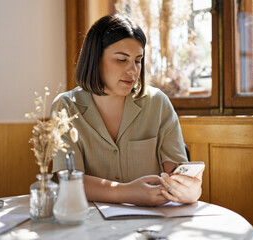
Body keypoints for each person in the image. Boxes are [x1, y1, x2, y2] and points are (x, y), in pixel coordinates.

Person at [51, 13, 203, 207]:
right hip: (88, 223)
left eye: (138, 60)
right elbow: (69, 181)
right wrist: (128, 192)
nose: (133, 71)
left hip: (152, 225)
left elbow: (177, 176)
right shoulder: (65, 106)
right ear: (94, 59)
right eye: (121, 60)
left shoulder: (157, 103)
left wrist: (190, 191)